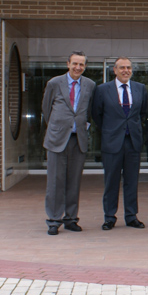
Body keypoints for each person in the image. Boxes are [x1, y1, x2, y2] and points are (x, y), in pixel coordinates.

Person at [42, 51, 96, 235]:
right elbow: (46, 109)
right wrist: (58, 127)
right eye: (75, 63)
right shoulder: (54, 83)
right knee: (55, 182)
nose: (78, 67)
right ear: (68, 64)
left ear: (85, 67)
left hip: (78, 140)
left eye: (81, 64)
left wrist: (82, 125)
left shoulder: (90, 85)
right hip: (57, 140)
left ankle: (71, 219)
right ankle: (53, 220)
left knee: (74, 181)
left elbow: (88, 110)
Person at [92, 57, 148, 231]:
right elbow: (96, 114)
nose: (126, 70)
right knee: (111, 181)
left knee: (132, 181)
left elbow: (142, 113)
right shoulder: (102, 89)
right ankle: (109, 217)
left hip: (133, 142)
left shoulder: (140, 89)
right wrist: (110, 130)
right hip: (112, 143)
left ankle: (131, 216)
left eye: (129, 67)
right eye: (122, 67)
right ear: (114, 70)